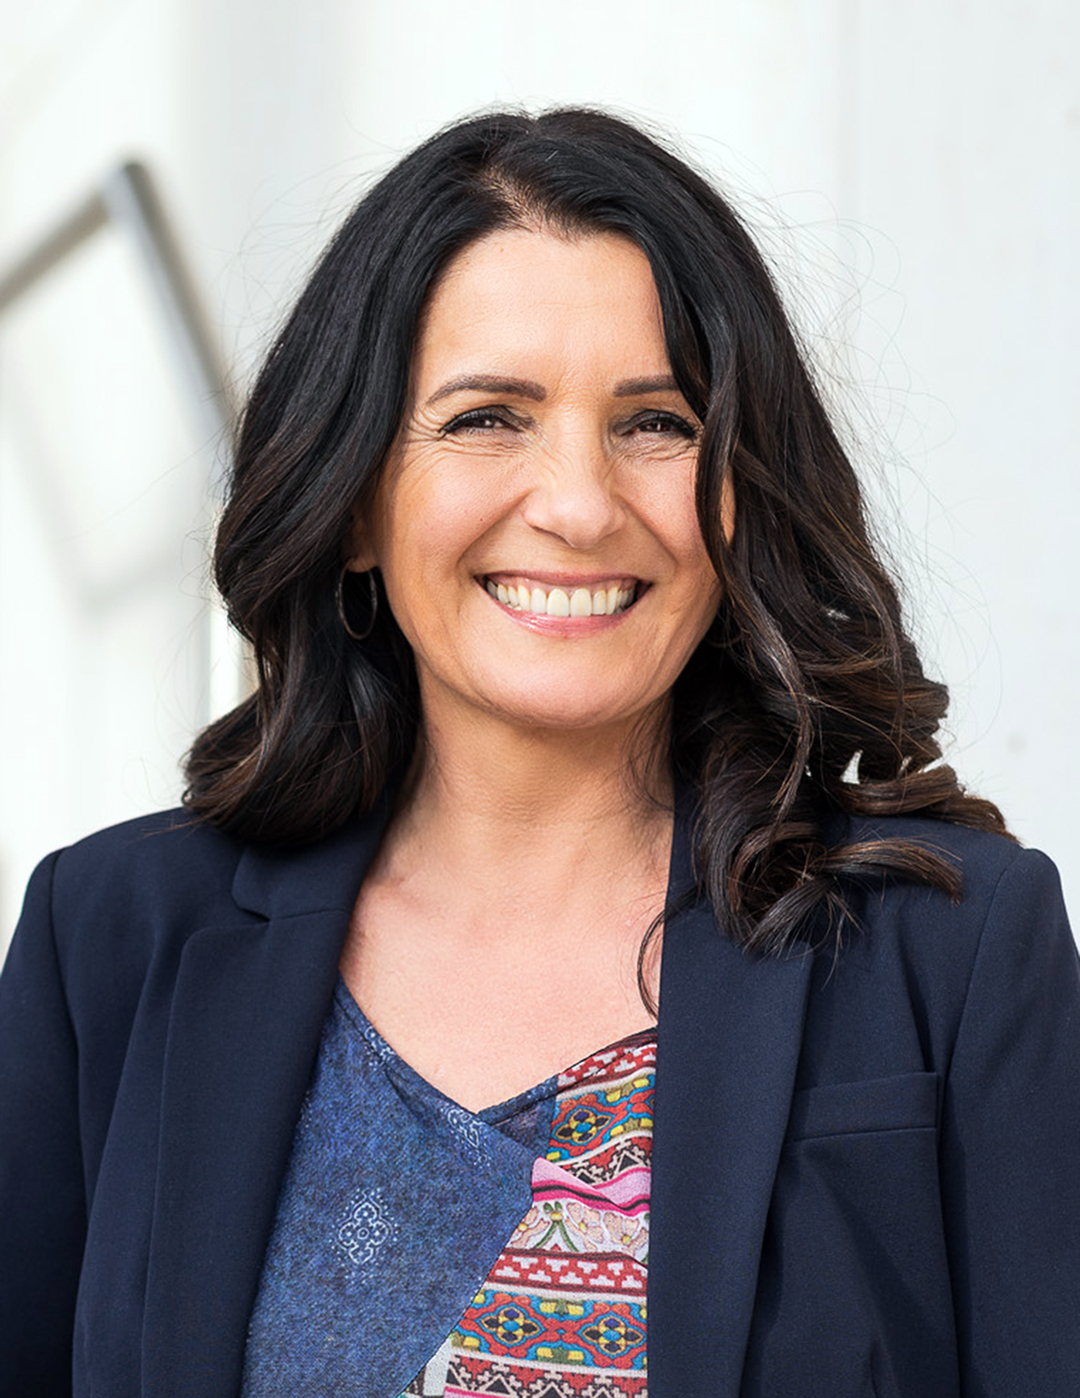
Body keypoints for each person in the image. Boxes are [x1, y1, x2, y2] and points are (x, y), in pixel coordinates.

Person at [1, 107, 1077, 1398]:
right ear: (352, 500)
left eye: (658, 422)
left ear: (739, 487)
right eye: (486, 418)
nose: (577, 504)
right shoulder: (110, 936)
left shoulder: (957, 949)